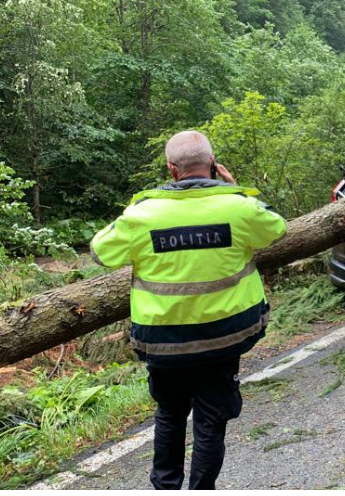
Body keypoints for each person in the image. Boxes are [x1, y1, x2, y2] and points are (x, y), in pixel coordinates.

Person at [91, 131, 287, 490]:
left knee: (170, 413)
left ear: (171, 169)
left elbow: (100, 252)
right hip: (225, 338)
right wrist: (237, 189)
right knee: (211, 422)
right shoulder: (239, 207)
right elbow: (276, 228)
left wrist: (133, 215)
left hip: (164, 342)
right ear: (213, 165)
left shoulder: (142, 214)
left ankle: (165, 486)